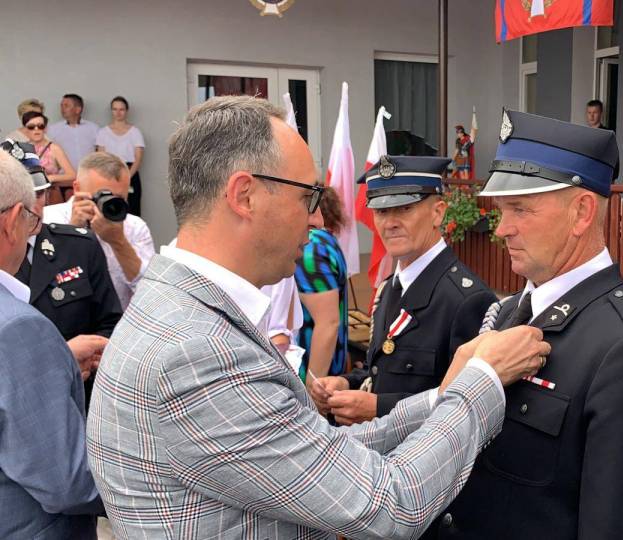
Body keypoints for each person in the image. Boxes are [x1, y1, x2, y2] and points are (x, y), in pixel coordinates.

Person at [87, 95, 551, 538]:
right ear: (244, 195)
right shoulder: (198, 353)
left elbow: (325, 456)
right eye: (307, 197)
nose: (317, 220)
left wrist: (443, 397)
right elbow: (389, 504)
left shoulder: (180, 312)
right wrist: (482, 380)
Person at [433, 110, 623, 539]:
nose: (502, 229)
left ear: (582, 213)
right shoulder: (510, 313)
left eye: (520, 209)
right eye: (502, 209)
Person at [312, 156, 498, 426]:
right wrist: (346, 383)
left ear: (438, 213)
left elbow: (471, 407)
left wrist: (379, 408)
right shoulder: (390, 288)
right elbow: (381, 371)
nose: (390, 223)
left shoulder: (468, 300)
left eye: (404, 208)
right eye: (381, 211)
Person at [0, 150, 104, 540]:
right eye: (31, 219)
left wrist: (55, 363)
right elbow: (69, 482)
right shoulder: (18, 327)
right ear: (11, 221)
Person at [4, 140, 121, 342]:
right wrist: (66, 353)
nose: (33, 205)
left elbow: (111, 324)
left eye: (39, 193)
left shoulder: (80, 245)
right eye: (22, 196)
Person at [44, 151, 155, 309]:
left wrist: (119, 242)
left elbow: (149, 290)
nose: (109, 204)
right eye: (102, 196)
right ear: (77, 188)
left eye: (119, 199)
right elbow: (43, 283)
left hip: (120, 321)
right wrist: (71, 231)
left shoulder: (135, 227)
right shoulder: (49, 219)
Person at [295, 186, 349, 384]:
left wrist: (313, 386)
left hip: (310, 372)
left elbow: (328, 323)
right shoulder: (326, 241)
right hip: (329, 370)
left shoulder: (312, 247)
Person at [96, 96, 146, 215]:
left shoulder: (135, 132)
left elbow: (138, 158)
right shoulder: (102, 132)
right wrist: (110, 177)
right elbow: (100, 157)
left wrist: (127, 177)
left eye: (121, 109)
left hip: (130, 172)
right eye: (115, 109)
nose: (118, 113)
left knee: (132, 209)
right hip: (109, 173)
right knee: (110, 209)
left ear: (126, 111)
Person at [21, 111, 76, 203]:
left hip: (51, 196)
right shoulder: (21, 149)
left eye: (40, 126)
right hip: (29, 197)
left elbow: (72, 175)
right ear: (25, 130)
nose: (36, 129)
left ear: (45, 129)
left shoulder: (54, 148)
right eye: (31, 127)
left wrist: (51, 178)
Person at [47, 93, 99, 174]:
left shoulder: (94, 128)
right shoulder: (53, 130)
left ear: (78, 109)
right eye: (61, 106)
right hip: (63, 176)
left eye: (66, 106)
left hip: (89, 175)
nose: (62, 109)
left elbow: (99, 153)